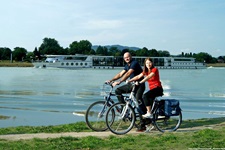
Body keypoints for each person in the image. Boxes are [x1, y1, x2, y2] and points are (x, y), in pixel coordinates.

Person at [106, 52, 147, 127]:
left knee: (138, 100)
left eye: (128, 57)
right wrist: (111, 80)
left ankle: (143, 121)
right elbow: (120, 74)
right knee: (118, 91)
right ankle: (124, 109)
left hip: (139, 85)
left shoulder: (134, 63)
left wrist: (119, 81)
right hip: (132, 85)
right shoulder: (127, 65)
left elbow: (128, 73)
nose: (127, 59)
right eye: (125, 58)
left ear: (131, 57)